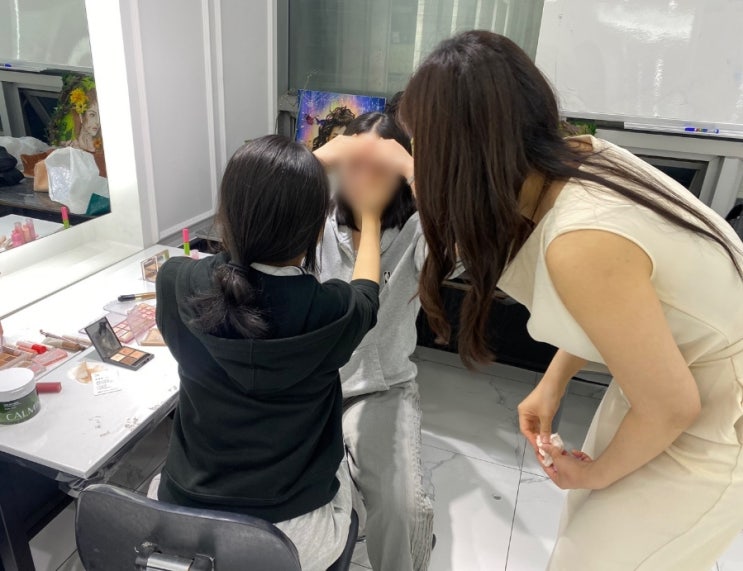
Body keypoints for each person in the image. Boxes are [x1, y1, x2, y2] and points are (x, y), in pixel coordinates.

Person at [365, 30, 743, 571]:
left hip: (714, 416)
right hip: (670, 379)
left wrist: (595, 473)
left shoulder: (578, 240)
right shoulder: (580, 155)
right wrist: (553, 382)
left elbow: (672, 407)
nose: (417, 160)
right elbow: (620, 313)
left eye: (422, 144)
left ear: (462, 152)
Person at [153, 135, 385, 571]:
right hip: (292, 539)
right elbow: (367, 292)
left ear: (226, 216)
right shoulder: (331, 311)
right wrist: (370, 219)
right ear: (316, 230)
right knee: (346, 469)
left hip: (186, 522)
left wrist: (290, 170)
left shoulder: (176, 282)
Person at [314, 112, 434, 571]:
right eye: (353, 164)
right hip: (312, 385)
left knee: (403, 509)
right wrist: (321, 158)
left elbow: (465, 254)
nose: (362, 179)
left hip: (382, 389)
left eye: (378, 168)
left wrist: (413, 168)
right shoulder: (316, 219)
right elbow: (261, 200)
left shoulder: (419, 230)